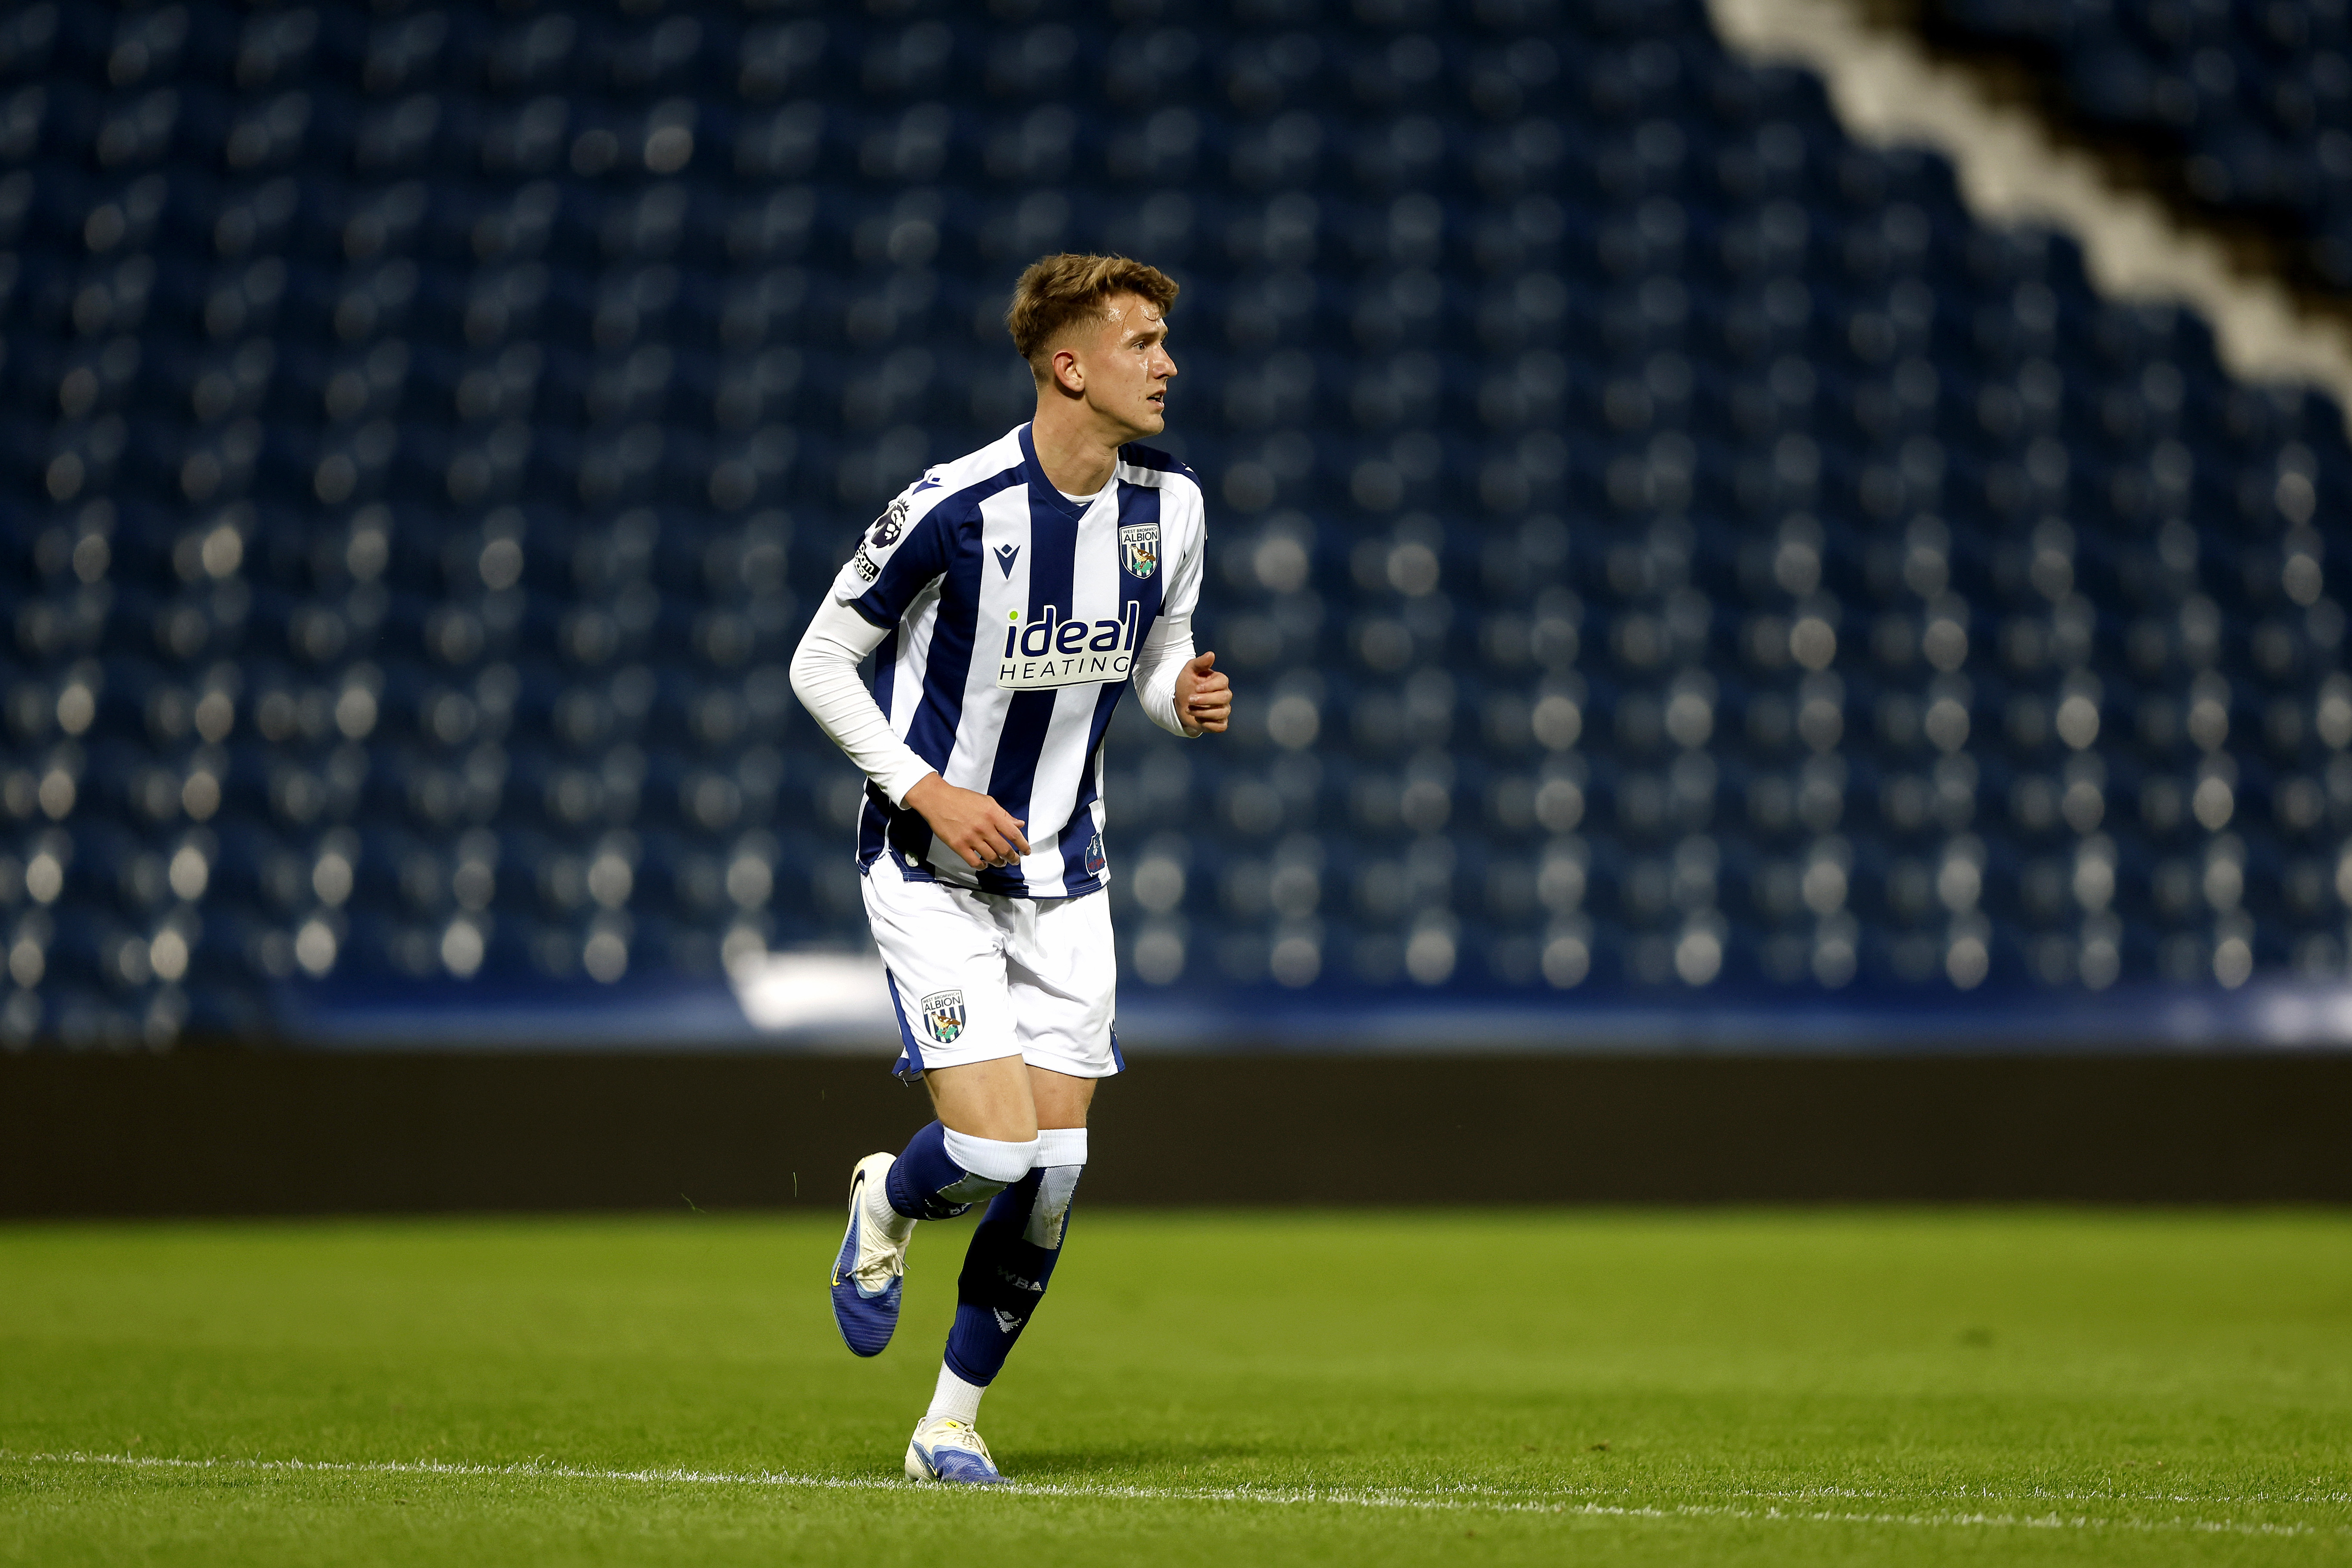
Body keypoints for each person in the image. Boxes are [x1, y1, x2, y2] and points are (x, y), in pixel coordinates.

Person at [788, 253, 1232, 1485]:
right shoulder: (954, 503)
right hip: (930, 867)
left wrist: (1175, 693)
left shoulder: (1172, 502)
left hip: (1067, 876)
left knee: (1054, 1175)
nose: (1167, 364)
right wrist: (923, 786)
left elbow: (1157, 647)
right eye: (1142, 341)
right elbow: (818, 663)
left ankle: (949, 1425)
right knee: (988, 1154)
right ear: (1068, 364)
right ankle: (884, 1200)